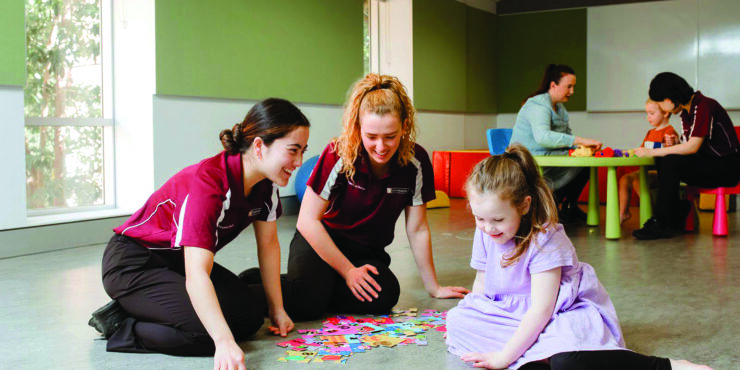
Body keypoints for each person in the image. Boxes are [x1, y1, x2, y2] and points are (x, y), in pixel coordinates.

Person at [445, 144, 712, 370]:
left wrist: (504, 357)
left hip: (557, 312)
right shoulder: (486, 233)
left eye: (498, 220)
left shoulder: (545, 239)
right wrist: (477, 310)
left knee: (567, 360)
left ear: (524, 205)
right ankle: (535, 353)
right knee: (457, 320)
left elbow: (541, 310)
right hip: (510, 313)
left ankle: (667, 366)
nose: (488, 228)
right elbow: (481, 282)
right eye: (480, 218)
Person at [88, 98, 309, 369]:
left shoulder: (266, 185)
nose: (299, 162)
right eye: (293, 150)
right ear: (260, 146)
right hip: (134, 263)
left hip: (177, 263)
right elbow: (197, 274)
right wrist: (224, 342)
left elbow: (269, 245)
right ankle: (121, 324)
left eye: (303, 151)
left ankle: (161, 308)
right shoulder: (209, 185)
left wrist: (277, 309)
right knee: (207, 335)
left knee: (250, 318)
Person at [269, 73, 469, 321]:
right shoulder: (338, 154)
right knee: (306, 305)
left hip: (366, 251)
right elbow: (307, 221)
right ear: (358, 128)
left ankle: (314, 285)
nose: (381, 147)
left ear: (404, 127)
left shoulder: (416, 162)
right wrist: (348, 271)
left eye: (390, 136)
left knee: (384, 295)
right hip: (321, 240)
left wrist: (434, 287)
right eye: (371, 137)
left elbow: (417, 228)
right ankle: (267, 283)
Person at [632, 72, 740, 240]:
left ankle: (664, 218)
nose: (661, 108)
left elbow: (692, 147)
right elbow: (688, 146)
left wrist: (651, 151)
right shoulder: (685, 112)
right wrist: (676, 143)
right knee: (666, 157)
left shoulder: (704, 105)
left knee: (668, 158)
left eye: (660, 103)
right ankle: (672, 214)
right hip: (708, 164)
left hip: (727, 167)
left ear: (668, 100)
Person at [510, 64, 602, 224]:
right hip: (529, 158)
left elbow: (565, 137)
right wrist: (579, 141)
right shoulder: (538, 106)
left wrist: (582, 148)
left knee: (587, 163)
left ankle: (567, 206)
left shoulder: (560, 108)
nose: (572, 91)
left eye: (573, 87)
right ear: (553, 85)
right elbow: (543, 137)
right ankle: (548, 205)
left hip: (548, 156)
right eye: (569, 86)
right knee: (581, 165)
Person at [619, 99, 679, 224]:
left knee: (638, 180)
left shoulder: (669, 132)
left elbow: (672, 153)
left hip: (659, 174)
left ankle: (652, 215)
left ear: (665, 113)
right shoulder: (650, 132)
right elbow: (642, 151)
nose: (648, 117)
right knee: (624, 179)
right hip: (646, 171)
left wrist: (672, 143)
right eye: (647, 114)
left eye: (651, 113)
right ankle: (623, 213)